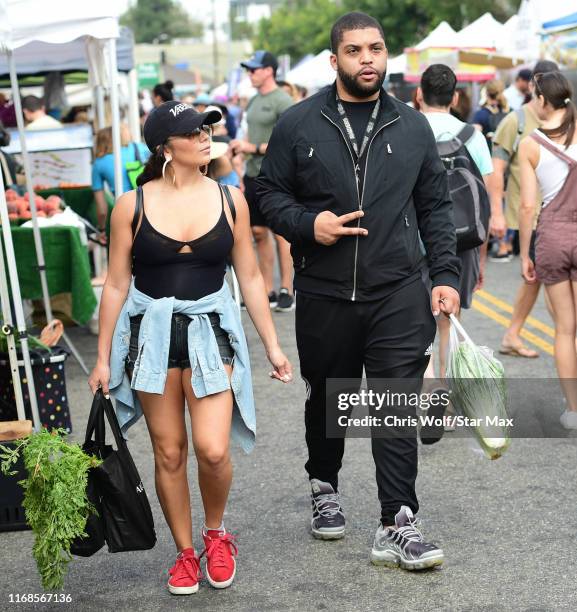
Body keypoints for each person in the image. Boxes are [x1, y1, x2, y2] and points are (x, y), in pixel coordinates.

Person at [258, 12, 460, 570]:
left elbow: (435, 209)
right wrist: (308, 224)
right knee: (330, 396)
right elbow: (266, 194)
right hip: (324, 290)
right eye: (354, 51)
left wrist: (444, 276)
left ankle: (397, 520)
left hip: (397, 289)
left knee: (395, 402)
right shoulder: (299, 123)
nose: (367, 58)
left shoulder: (414, 127)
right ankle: (324, 483)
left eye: (375, 48)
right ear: (335, 60)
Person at [88, 101, 292, 595]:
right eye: (192, 132)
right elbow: (115, 284)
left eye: (206, 130)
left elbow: (248, 274)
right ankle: (184, 553)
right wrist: (100, 357)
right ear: (165, 147)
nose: (205, 138)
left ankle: (216, 534)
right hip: (153, 342)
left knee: (213, 449)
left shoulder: (231, 199)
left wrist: (273, 345)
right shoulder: (130, 205)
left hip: (209, 335)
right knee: (170, 452)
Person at [417, 64, 493, 388]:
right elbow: (484, 203)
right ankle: (445, 398)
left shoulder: (408, 131)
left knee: (415, 319)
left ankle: (425, 380)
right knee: (449, 318)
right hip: (460, 241)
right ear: (456, 96)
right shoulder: (472, 136)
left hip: (414, 237)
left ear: (419, 95)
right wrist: (482, 260)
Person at [519, 72, 577, 429]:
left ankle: (574, 410)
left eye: (532, 96)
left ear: (543, 100)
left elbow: (528, 207)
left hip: (553, 238)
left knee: (565, 330)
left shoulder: (531, 144)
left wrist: (526, 253)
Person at [489, 59, 559, 356]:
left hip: (559, 215)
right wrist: (496, 212)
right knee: (550, 280)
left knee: (539, 280)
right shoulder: (514, 121)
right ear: (534, 84)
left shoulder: (566, 120)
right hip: (530, 214)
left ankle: (512, 334)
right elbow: (496, 170)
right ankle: (565, 338)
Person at [230, 50, 295, 312]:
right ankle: (267, 288)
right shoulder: (254, 101)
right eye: (249, 70)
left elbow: (290, 143)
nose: (250, 74)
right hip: (253, 174)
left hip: (278, 176)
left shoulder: (283, 101)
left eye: (254, 69)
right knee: (257, 233)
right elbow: (248, 135)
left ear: (269, 70)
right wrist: (241, 158)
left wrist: (251, 147)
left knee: (282, 234)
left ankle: (286, 289)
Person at [91, 124, 150, 234]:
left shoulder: (98, 164)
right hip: (150, 204)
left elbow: (102, 210)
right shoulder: (139, 148)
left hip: (124, 211)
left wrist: (102, 228)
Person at [472, 80, 510, 151]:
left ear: (486, 93)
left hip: (488, 155)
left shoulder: (481, 114)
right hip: (506, 155)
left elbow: (474, 140)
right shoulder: (510, 111)